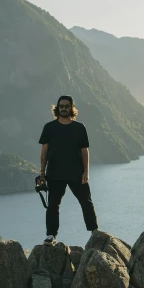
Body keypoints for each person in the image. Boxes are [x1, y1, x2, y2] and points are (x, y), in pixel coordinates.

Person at [37, 95, 99, 246]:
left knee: (86, 202)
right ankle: (51, 235)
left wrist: (86, 172)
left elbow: (85, 151)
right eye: (61, 106)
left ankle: (95, 232)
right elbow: (44, 152)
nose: (63, 108)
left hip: (76, 173)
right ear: (57, 108)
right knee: (52, 205)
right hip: (54, 174)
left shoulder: (80, 128)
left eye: (66, 106)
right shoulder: (49, 127)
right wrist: (42, 174)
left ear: (72, 108)